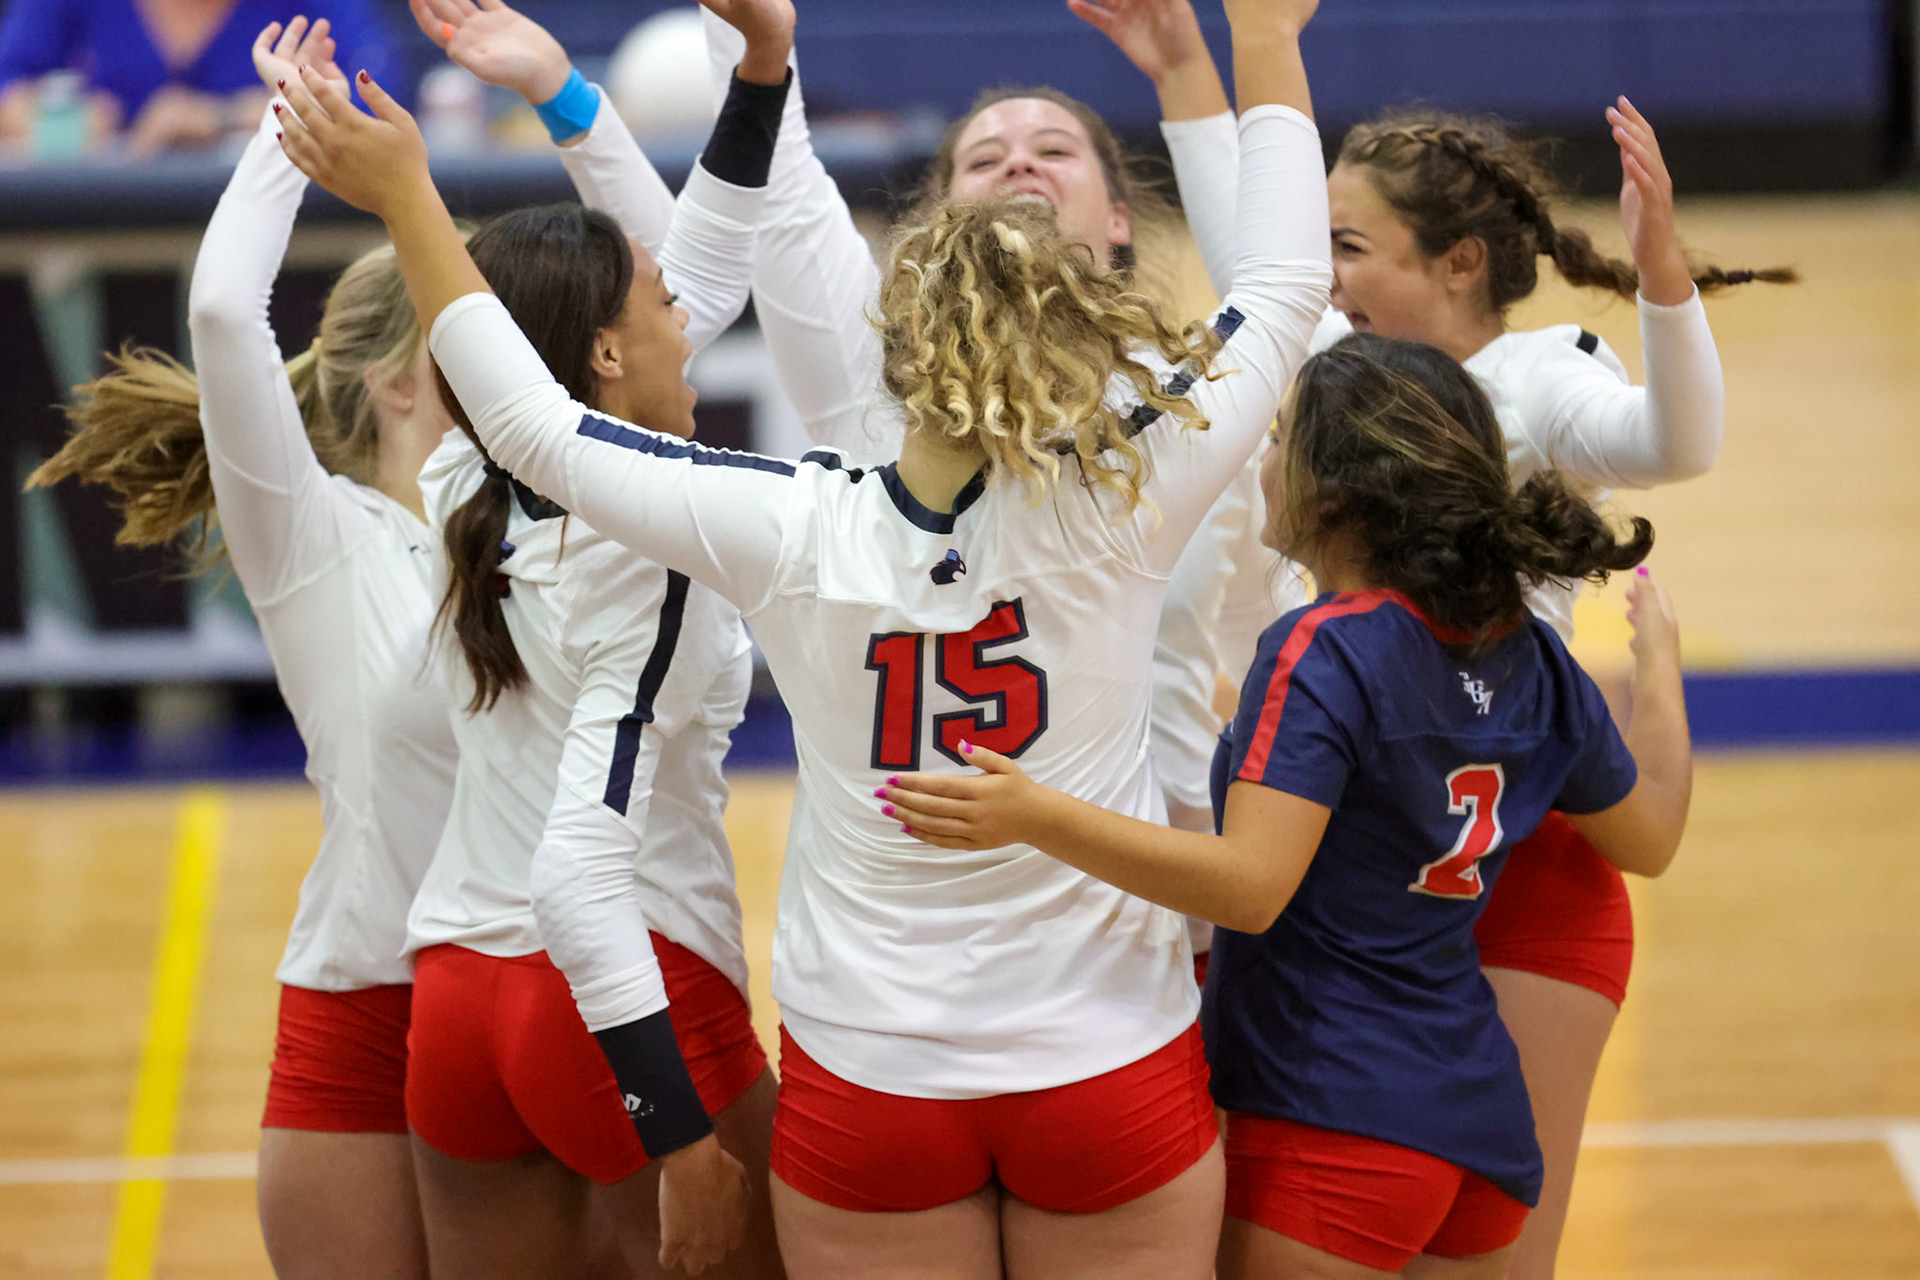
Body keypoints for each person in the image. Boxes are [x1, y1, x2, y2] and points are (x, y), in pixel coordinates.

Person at [268, 0, 1328, 1270]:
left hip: (872, 1076)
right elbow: (1285, 286)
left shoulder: (784, 518)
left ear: (890, 345)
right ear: (1081, 327)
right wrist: (1266, 40)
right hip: (1104, 1053)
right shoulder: (1131, 486)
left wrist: (410, 200)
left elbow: (537, 428)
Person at [1087, 2, 1790, 1268]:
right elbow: (1262, 256)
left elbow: (1678, 443)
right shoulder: (1333, 365)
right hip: (1371, 844)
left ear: (1457, 263)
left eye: (1351, 245)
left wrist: (1664, 275)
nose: (1322, 271)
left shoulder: (1542, 378)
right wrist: (1195, 66)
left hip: (1510, 835)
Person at [878, 333, 1694, 1280]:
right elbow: (1653, 835)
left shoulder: (1325, 647)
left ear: (1334, 494)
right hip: (1480, 1133)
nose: (1261, 461)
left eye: (1277, 440)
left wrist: (1035, 815)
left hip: (1330, 1116)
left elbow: (1249, 888)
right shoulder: (1533, 655)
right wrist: (1659, 668)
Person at [694, 1, 1305, 979]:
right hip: (909, 949)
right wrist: (747, 40)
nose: (1019, 163)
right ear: (939, 224)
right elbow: (789, 190)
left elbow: (1270, 641)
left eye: (1054, 150)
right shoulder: (877, 390)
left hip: (1155, 932)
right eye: (984, 159)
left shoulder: (1197, 410)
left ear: (1119, 221)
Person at [26, 20, 449, 1278]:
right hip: (362, 1004)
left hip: (535, 996)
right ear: (397, 378)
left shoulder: (559, 508)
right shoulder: (317, 536)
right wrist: (285, 129)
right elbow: (220, 308)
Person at [393, 4, 796, 1274]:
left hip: (456, 996)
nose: (694, 312)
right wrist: (677, 1135)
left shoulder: (459, 474)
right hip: (621, 990)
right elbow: (579, 875)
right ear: (610, 350)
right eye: (661, 301)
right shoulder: (660, 538)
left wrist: (739, 73)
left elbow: (673, 281)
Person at [0, 0, 404, 156]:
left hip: (283, 241)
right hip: (99, 238)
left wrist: (227, 117)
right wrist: (62, 126)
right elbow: (9, 79)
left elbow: (379, 93)